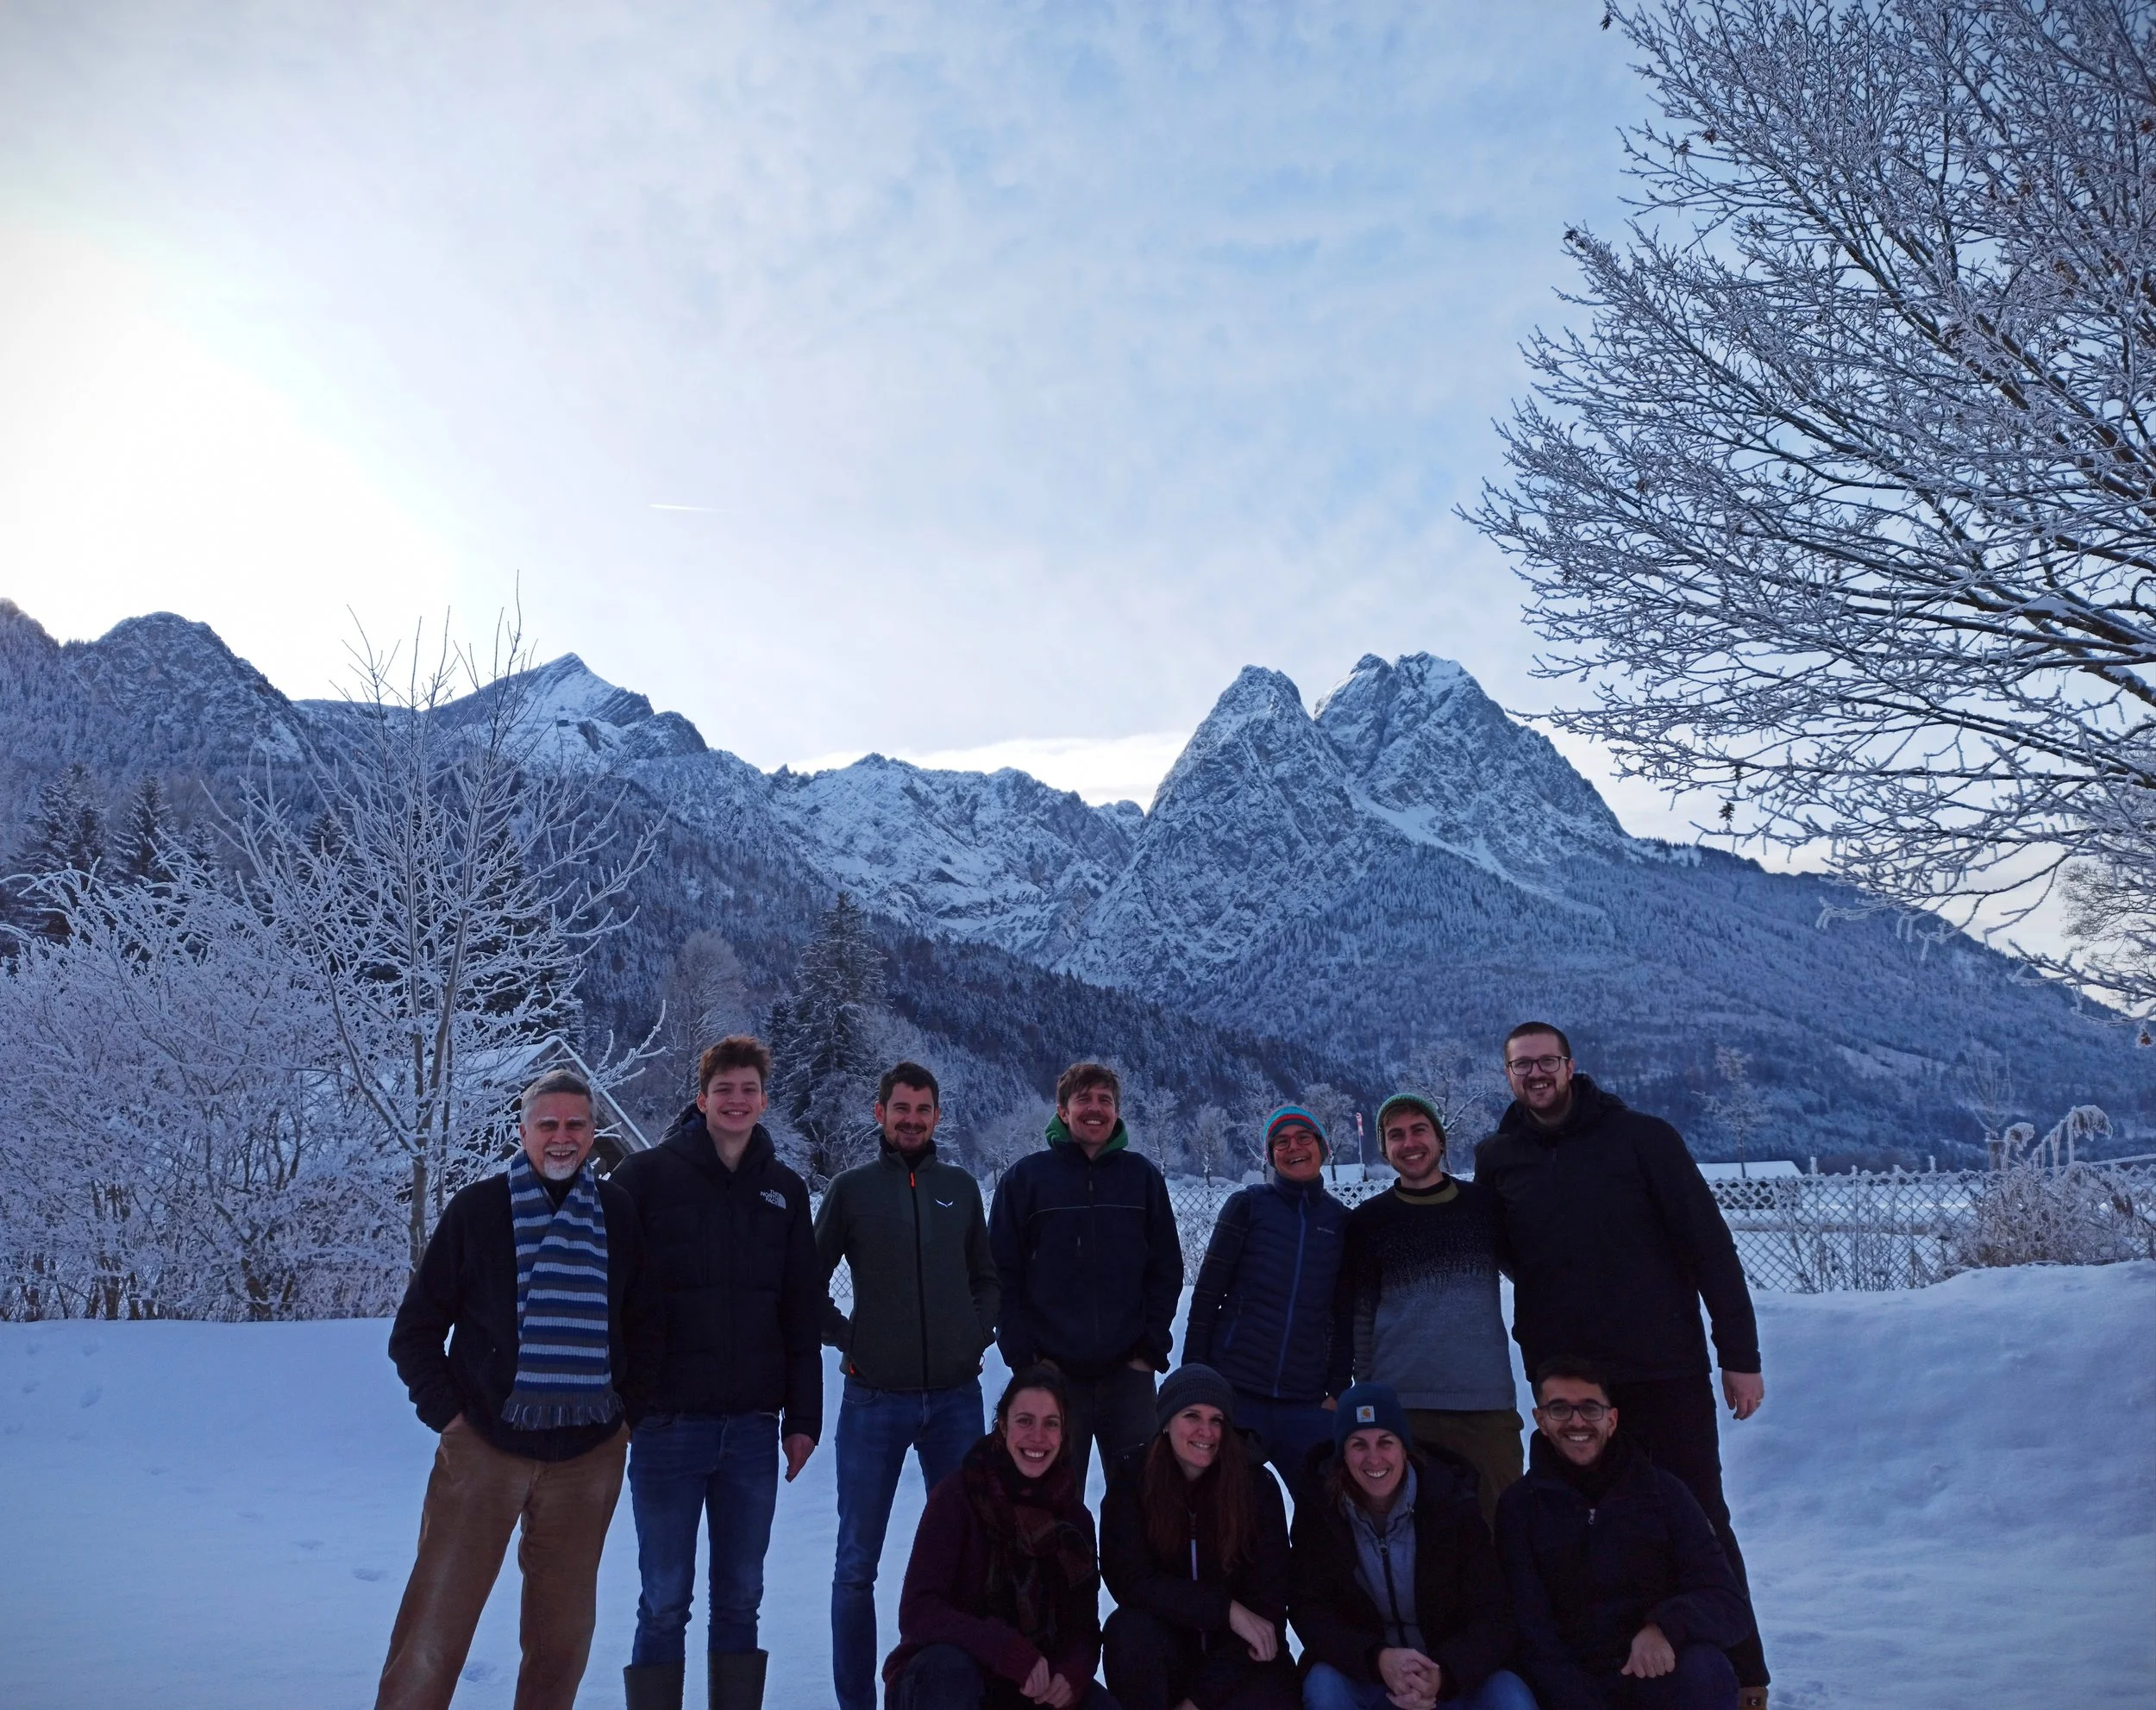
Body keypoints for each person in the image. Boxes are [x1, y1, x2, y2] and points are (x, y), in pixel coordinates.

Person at [1474, 1024, 1767, 1706]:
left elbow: (1710, 1249)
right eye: (1523, 1065)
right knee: (1566, 1522)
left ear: (1571, 1066)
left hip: (1660, 1366)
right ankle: (1579, 1669)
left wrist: (1740, 1356)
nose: (1536, 1073)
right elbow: (1512, 1252)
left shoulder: (1644, 1139)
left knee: (1699, 1511)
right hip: (1565, 1380)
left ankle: (1743, 1669)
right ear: (1508, 1074)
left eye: (1547, 1061)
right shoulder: (1498, 1156)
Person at [378, 1068, 649, 1710]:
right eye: (547, 1124)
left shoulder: (616, 1214)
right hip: (485, 1449)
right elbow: (415, 1330)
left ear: (593, 1132)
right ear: (522, 1131)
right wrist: (450, 1417)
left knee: (562, 1641)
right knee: (434, 1629)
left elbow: (648, 1326)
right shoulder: (478, 1210)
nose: (562, 1137)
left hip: (587, 1457)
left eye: (575, 1124)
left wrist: (625, 1418)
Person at [611, 1036, 822, 1710]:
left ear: (764, 1099)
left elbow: (801, 1312)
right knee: (664, 1600)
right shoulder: (645, 1179)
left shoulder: (785, 1193)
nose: (736, 1100)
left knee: (741, 1600)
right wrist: (624, 1404)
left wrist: (804, 1419)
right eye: (723, 1088)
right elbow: (612, 1297)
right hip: (668, 1426)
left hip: (753, 1432)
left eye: (748, 1089)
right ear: (701, 1098)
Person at [815, 1060, 1000, 1710]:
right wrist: (849, 1338)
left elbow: (987, 1275)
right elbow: (805, 1284)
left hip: (955, 1398)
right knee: (856, 1564)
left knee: (967, 1554)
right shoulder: (852, 1189)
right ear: (880, 1113)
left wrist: (976, 1332)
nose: (912, 1119)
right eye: (901, 1108)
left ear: (937, 1116)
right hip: (874, 1400)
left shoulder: (960, 1187)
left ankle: (947, 1690)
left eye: (923, 1109)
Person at [1496, 1359, 1752, 1710]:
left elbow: (1728, 1604)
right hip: (1565, 1687)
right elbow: (1530, 1628)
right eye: (1559, 1409)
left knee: (1706, 1669)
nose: (1576, 1421)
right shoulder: (1519, 1507)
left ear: (1612, 1419)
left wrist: (1664, 1627)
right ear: (1540, 1420)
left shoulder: (1665, 1494)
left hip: (1652, 1672)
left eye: (1590, 1408)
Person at [990, 1061, 1183, 1487]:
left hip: (1128, 1377)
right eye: (1083, 1099)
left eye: (1105, 1100)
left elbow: (1166, 1268)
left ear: (1116, 1112)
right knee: (1051, 1500)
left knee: (1141, 1502)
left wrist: (1150, 1349)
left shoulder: (1143, 1178)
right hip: (1053, 1374)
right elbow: (1000, 1274)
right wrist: (1026, 1359)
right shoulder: (1026, 1180)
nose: (1095, 1109)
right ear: (1062, 1110)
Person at [884, 1366, 1119, 1710]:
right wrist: (1003, 1648)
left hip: (1028, 1687)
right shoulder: (959, 1496)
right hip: (945, 1679)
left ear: (1064, 1433)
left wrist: (1072, 1674)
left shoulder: (1073, 1520)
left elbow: (1082, 1629)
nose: (1037, 1437)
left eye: (1050, 1423)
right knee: (949, 1671)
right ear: (1003, 1426)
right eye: (1025, 1421)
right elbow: (919, 1612)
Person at [1287, 1381, 1531, 1710]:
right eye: (1358, 1444)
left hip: (1449, 1678)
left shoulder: (1453, 1502)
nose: (1374, 1458)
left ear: (1404, 1447)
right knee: (1324, 1686)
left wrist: (1444, 1674)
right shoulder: (1320, 1511)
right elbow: (1310, 1611)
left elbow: (1494, 1614)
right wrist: (1378, 1659)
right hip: (1370, 1678)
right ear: (1342, 1454)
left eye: (1385, 1442)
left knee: (1510, 1694)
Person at [1341, 1093, 1520, 1524]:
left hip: (1485, 1404)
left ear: (1440, 1140)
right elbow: (1360, 1318)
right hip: (1402, 1408)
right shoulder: (1369, 1221)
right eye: (1395, 1135)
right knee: (1416, 1537)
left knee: (1503, 1528)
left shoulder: (1484, 1208)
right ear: (1385, 1149)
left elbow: (1537, 1279)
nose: (1409, 1142)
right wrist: (1369, 1394)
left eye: (1419, 1130)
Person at [1099, 1365, 1300, 1710]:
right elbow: (1129, 1579)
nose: (1206, 1431)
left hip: (1238, 1658)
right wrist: (1225, 1609)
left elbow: (1267, 1605)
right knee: (1127, 1632)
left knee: (1270, 1669)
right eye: (1192, 1415)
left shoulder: (1256, 1488)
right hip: (1168, 1646)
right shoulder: (1133, 1480)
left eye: (1217, 1419)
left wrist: (1197, 1702)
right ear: (1166, 1421)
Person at [1181, 1106, 1352, 1506]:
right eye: (1281, 1141)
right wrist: (1194, 1379)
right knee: (1228, 1511)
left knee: (1324, 1514)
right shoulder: (1248, 1206)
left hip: (1307, 1402)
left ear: (1322, 1148)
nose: (1293, 1147)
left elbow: (1345, 1315)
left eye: (1304, 1138)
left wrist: (1337, 1389)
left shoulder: (1341, 1223)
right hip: (1237, 1395)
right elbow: (1207, 1296)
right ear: (1270, 1155)